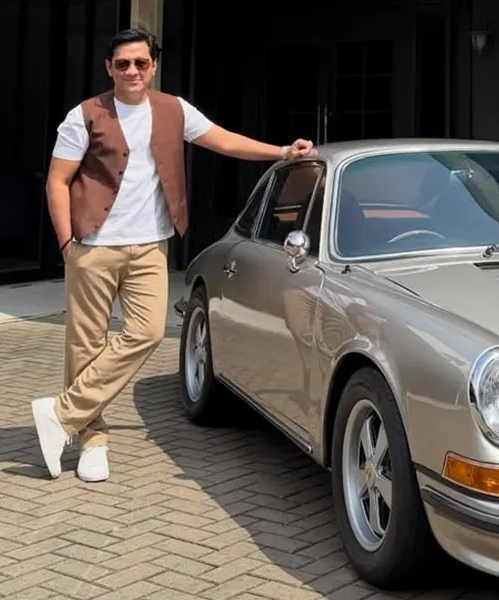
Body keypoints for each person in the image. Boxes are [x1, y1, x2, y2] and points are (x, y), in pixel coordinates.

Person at [31, 28, 314, 482]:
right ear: (109, 67)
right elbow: (57, 181)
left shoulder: (173, 110)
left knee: (144, 333)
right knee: (86, 345)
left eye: (141, 63)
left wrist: (282, 151)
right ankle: (92, 440)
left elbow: (223, 141)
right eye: (122, 63)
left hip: (149, 246)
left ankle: (61, 413)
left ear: (153, 66)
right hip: (93, 245)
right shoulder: (83, 115)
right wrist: (68, 243)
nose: (132, 71)